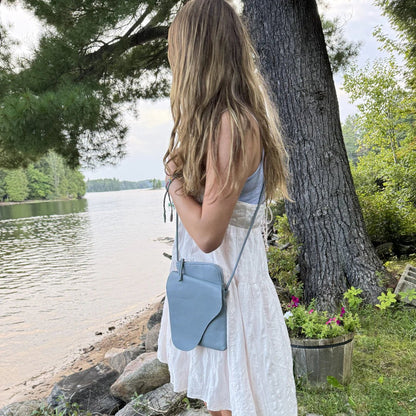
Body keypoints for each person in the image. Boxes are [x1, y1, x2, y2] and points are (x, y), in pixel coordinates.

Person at [157, 0, 298, 415]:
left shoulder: (230, 126)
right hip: (214, 293)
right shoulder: (220, 123)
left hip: (227, 297)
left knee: (234, 404)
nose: (171, 55)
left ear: (196, 52)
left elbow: (207, 235)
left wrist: (173, 183)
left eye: (175, 45)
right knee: (222, 402)